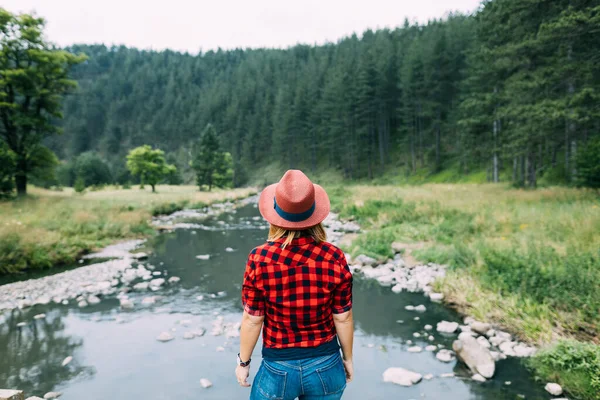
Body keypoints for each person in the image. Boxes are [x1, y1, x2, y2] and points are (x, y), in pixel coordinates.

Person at [235, 170, 354, 400]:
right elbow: (343, 317)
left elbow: (253, 318)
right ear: (315, 214)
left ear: (275, 215)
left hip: (277, 368)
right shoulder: (334, 256)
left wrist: (244, 362)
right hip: (326, 365)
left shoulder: (259, 258)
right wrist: (347, 359)